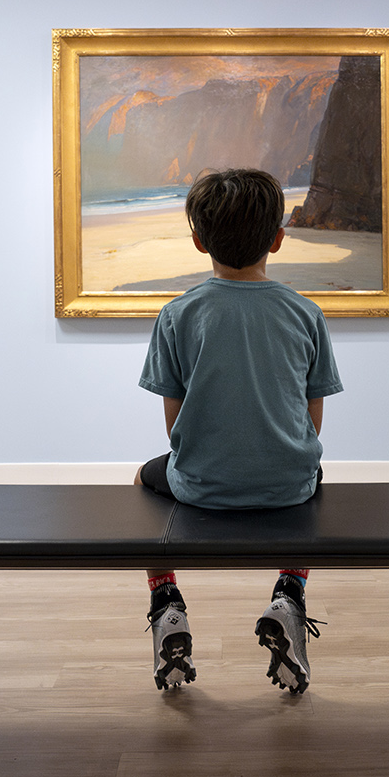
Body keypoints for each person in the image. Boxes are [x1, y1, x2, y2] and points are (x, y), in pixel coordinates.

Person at [135, 168, 343, 695]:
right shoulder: (305, 313)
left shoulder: (177, 315)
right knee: (310, 472)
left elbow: (175, 428)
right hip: (288, 484)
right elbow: (311, 421)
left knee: (140, 478)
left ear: (199, 240)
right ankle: (290, 593)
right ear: (277, 237)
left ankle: (166, 601)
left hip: (201, 485)